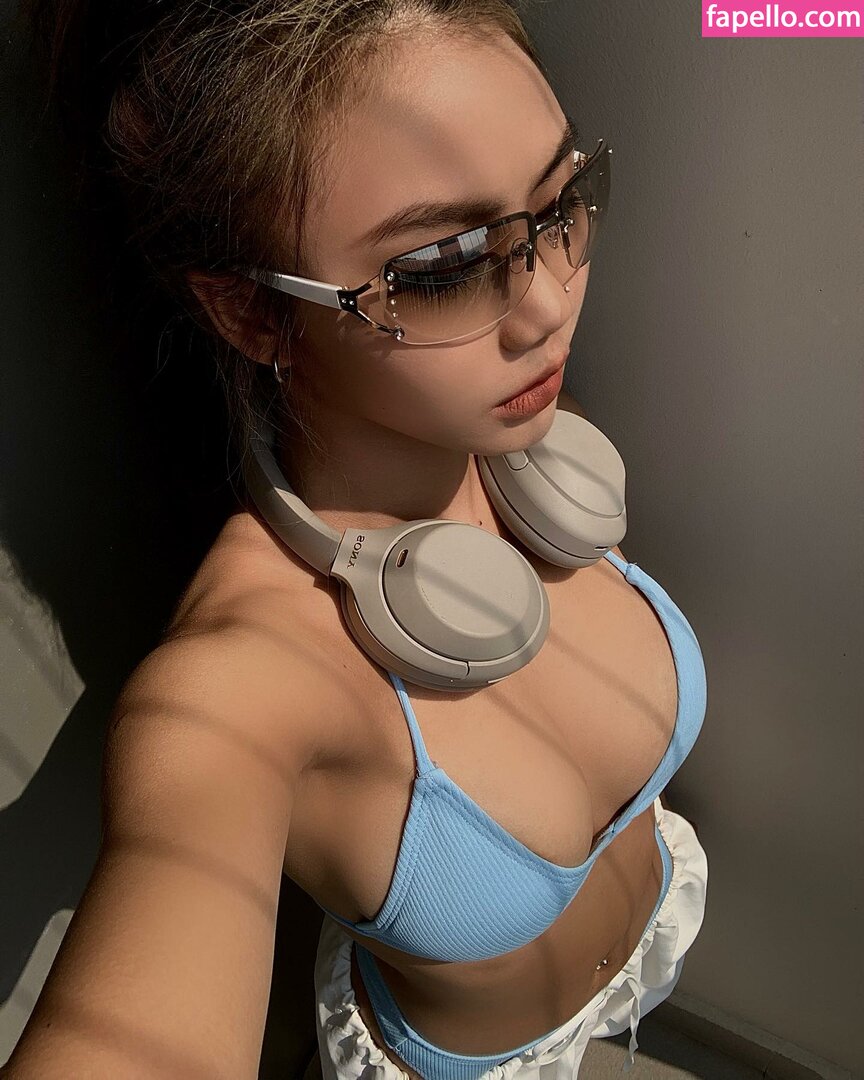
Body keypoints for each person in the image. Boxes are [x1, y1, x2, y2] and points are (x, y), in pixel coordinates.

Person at [8, 1, 708, 1077]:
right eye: (441, 266)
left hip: (654, 935)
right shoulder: (236, 690)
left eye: (559, 204)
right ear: (252, 314)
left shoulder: (529, 454)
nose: (549, 308)